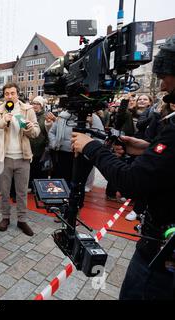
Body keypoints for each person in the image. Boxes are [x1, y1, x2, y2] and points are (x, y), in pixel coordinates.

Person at [71, 35, 175, 300]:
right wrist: (145, 147)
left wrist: (90, 147)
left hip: (160, 255)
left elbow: (130, 181)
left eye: (165, 75)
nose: (162, 84)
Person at [0, 83, 40, 236]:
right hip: (4, 158)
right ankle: (5, 217)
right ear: (4, 95)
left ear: (17, 94)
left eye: (12, 93)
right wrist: (2, 121)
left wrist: (30, 128)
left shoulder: (27, 110)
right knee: (4, 191)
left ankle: (22, 220)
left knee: (22, 192)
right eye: (7, 93)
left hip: (23, 157)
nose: (10, 96)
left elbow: (36, 132)